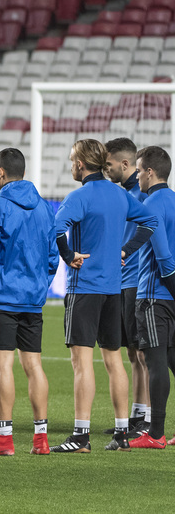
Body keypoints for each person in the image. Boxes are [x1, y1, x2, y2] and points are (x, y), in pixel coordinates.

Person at [51, 138, 160, 453]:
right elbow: (150, 221)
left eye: (73, 160)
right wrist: (126, 249)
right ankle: (123, 434)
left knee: (82, 362)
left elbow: (57, 228)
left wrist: (69, 254)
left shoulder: (79, 196)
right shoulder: (120, 195)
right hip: (114, 288)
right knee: (114, 360)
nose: (72, 165)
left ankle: (81, 436)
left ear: (82, 164)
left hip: (85, 288)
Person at [0, 148, 58, 457]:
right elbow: (52, 257)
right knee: (34, 364)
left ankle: (5, 440)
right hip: (32, 300)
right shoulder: (46, 209)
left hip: (2, 299)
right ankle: (41, 440)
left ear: (0, 173)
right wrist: (39, 288)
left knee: (2, 365)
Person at [129, 146, 175, 448]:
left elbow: (164, 258)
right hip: (169, 296)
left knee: (155, 362)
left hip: (155, 295)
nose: (136, 174)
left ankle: (155, 433)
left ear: (149, 172)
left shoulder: (152, 203)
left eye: (139, 169)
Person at [105, 137, 150, 434]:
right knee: (132, 352)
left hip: (136, 281)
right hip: (121, 281)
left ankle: (145, 419)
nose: (106, 170)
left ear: (125, 164)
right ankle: (137, 416)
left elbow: (151, 229)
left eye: (109, 165)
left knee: (142, 353)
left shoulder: (142, 196)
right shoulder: (122, 194)